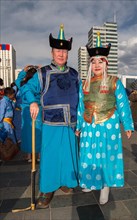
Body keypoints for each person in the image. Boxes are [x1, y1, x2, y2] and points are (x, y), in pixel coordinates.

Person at [20, 24, 79, 208]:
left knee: (69, 155)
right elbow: (26, 88)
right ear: (52, 53)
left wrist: (81, 123)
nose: (61, 54)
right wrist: (33, 101)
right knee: (51, 157)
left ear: (68, 53)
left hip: (71, 123)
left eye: (64, 51)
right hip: (51, 122)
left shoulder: (75, 74)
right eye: (57, 50)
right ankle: (47, 189)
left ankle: (66, 181)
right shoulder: (42, 73)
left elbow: (82, 99)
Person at [75, 32, 134, 205]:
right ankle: (89, 181)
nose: (97, 64)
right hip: (88, 125)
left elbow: (123, 104)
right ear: (90, 65)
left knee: (106, 156)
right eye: (93, 62)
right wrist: (78, 125)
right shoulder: (84, 84)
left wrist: (128, 125)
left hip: (108, 125)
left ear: (106, 63)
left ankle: (105, 185)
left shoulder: (114, 81)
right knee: (88, 155)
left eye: (100, 61)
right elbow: (80, 106)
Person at [14, 65, 42, 162]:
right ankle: (39, 156)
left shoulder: (23, 83)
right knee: (39, 132)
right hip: (38, 109)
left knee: (27, 133)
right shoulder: (39, 82)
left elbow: (17, 80)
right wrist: (41, 70)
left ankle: (29, 156)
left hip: (26, 110)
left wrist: (23, 70)